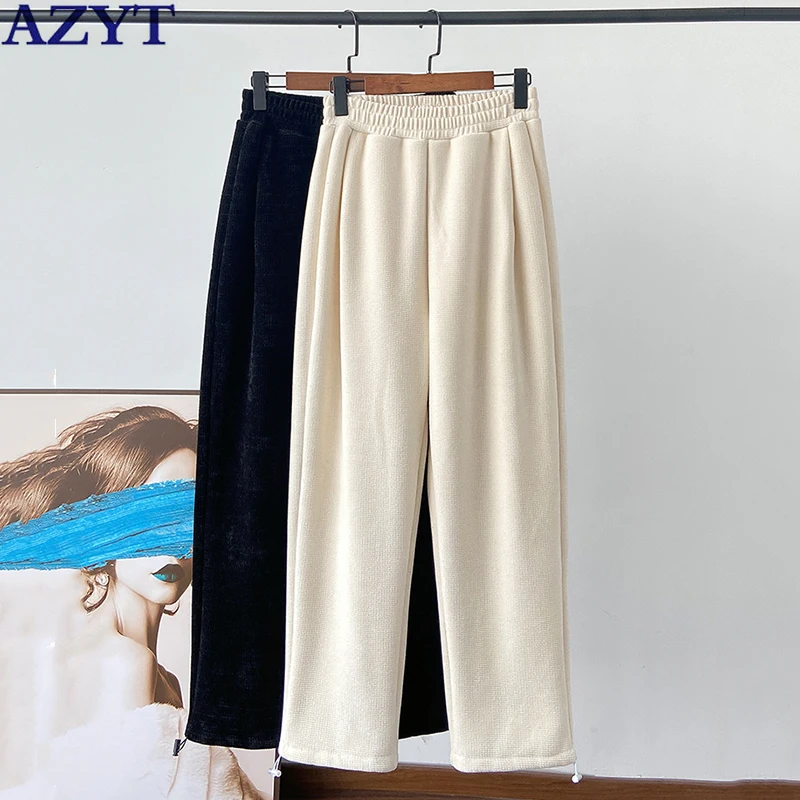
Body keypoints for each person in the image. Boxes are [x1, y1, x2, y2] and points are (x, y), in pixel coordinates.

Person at [0, 406, 260, 798]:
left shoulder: (161, 677)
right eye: (148, 518)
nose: (172, 547)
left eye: (188, 517)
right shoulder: (125, 663)